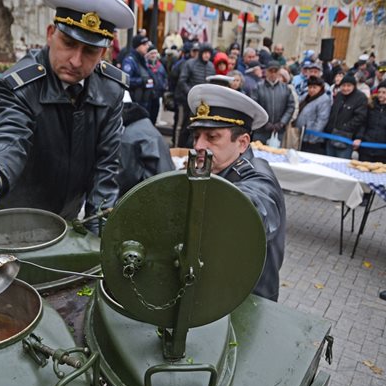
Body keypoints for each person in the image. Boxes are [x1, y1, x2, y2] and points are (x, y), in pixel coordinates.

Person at [0, 0, 134, 228]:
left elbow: (107, 167)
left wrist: (98, 233)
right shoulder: (18, 86)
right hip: (13, 223)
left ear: (103, 53)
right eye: (68, 43)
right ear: (51, 34)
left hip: (66, 219)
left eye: (89, 50)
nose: (75, 61)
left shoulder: (111, 89)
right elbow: (8, 141)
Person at [187, 84, 286, 301]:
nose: (199, 145)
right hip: (215, 293)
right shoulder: (217, 168)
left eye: (212, 137)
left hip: (247, 302)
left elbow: (252, 209)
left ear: (242, 143)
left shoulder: (259, 178)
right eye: (197, 136)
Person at [117, 92, 175, 196]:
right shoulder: (146, 125)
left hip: (149, 196)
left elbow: (126, 179)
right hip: (166, 190)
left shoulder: (128, 138)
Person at [175, 42, 215, 147]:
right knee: (186, 126)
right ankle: (180, 147)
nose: (207, 55)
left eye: (209, 53)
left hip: (205, 103)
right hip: (190, 101)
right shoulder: (190, 64)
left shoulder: (211, 67)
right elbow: (182, 81)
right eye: (205, 53)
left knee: (200, 127)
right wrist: (191, 93)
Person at [324, 74, 368, 159]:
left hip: (346, 137)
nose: (345, 88)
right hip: (332, 134)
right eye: (343, 85)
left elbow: (360, 118)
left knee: (341, 163)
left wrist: (345, 128)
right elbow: (333, 112)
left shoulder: (361, 97)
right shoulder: (339, 95)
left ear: (354, 86)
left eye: (349, 86)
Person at [251, 61, 295, 144]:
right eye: (271, 71)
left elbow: (291, 106)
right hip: (260, 131)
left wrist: (282, 122)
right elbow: (254, 106)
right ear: (266, 72)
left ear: (279, 72)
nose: (273, 74)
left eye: (276, 71)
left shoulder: (286, 88)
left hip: (279, 131)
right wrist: (264, 123)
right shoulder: (258, 87)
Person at [296, 76, 332, 154]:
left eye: (314, 87)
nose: (311, 90)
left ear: (321, 88)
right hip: (302, 135)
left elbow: (322, 120)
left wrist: (313, 138)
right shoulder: (306, 96)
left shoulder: (324, 99)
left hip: (312, 138)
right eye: (310, 87)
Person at [123, 34, 155, 113]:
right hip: (135, 102)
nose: (147, 47)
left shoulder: (143, 59)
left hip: (145, 101)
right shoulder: (130, 60)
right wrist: (142, 81)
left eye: (147, 44)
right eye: (144, 44)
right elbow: (125, 80)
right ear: (137, 46)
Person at [356, 81, 386, 163]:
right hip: (366, 148)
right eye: (379, 92)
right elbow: (363, 124)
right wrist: (359, 137)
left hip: (383, 152)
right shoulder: (371, 106)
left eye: (384, 92)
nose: (380, 95)